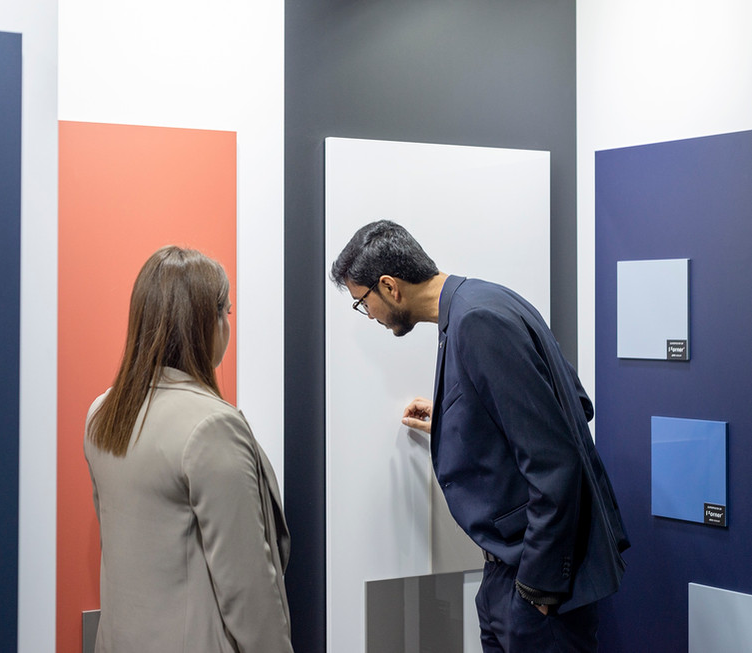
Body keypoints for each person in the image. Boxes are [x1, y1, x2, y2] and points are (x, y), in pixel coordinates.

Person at [331, 220, 629, 653]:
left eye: (363, 303)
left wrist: (537, 589)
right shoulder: (485, 300)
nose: (369, 315)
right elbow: (570, 404)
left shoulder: (476, 322)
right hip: (508, 575)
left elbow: (555, 460)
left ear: (390, 287)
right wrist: (457, 419)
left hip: (536, 585)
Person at [84, 246, 293, 653]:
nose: (229, 326)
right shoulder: (212, 426)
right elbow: (248, 590)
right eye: (227, 313)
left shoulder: (103, 413)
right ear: (207, 322)